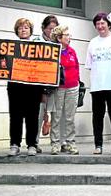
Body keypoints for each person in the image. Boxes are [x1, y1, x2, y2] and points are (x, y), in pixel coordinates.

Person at [85, 12, 111, 155]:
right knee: (97, 116)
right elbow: (90, 65)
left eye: (103, 23)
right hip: (97, 85)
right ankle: (98, 145)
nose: (100, 26)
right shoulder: (92, 42)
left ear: (109, 24)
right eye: (97, 24)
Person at [4, 18, 45, 156]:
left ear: (31, 30)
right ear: (17, 31)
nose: (23, 30)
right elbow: (4, 62)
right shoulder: (10, 47)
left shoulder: (39, 46)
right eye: (20, 27)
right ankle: (14, 144)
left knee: (32, 116)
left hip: (33, 86)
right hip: (15, 85)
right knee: (15, 115)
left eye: (26, 27)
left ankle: (32, 144)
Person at [49, 25, 80, 155]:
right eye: (66, 35)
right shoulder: (53, 51)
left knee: (70, 117)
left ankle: (70, 143)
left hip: (73, 86)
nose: (69, 37)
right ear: (59, 37)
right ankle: (55, 143)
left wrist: (77, 81)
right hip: (59, 88)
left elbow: (77, 67)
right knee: (56, 116)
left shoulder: (72, 51)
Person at [33, 15, 58, 153]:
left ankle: (55, 143)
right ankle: (34, 142)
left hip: (53, 84)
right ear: (43, 28)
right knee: (38, 114)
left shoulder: (58, 43)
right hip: (38, 84)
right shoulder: (35, 41)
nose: (52, 32)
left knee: (55, 113)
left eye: (54, 29)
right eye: (50, 29)